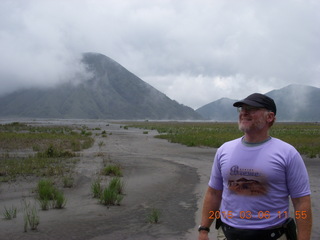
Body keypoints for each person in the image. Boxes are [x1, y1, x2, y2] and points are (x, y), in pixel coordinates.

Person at [198, 93, 312, 240]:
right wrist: (204, 229)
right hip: (227, 234)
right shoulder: (224, 150)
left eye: (251, 109)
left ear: (269, 117)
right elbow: (214, 193)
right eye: (242, 109)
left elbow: (301, 202)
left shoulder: (288, 153)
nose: (244, 112)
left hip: (273, 235)